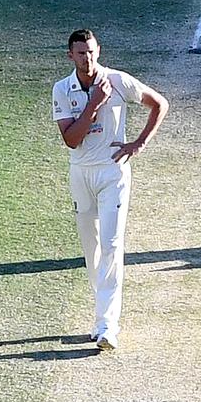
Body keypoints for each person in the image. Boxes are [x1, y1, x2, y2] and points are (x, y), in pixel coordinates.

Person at [52, 29, 169, 351]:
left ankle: (107, 326)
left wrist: (139, 143)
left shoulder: (119, 81)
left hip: (113, 174)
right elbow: (71, 140)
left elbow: (159, 104)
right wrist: (94, 104)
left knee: (112, 245)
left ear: (98, 51)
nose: (87, 59)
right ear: (70, 56)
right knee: (92, 249)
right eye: (80, 53)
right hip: (81, 175)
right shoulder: (62, 90)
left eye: (90, 52)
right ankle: (100, 315)